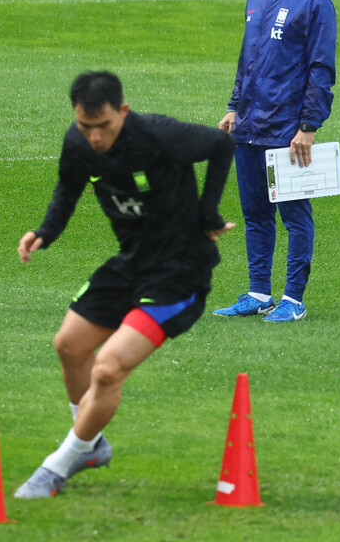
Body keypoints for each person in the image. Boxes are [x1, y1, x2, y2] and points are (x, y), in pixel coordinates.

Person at [14, 71, 235, 498]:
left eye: (103, 126)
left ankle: (57, 465)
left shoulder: (159, 135)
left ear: (123, 111)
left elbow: (221, 144)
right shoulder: (79, 143)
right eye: (86, 126)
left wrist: (208, 213)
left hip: (180, 273)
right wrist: (45, 232)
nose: (94, 137)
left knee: (108, 367)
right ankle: (90, 443)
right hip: (132, 262)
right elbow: (67, 189)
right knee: (69, 345)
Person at [213, 0, 336, 322]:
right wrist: (234, 106)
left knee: (295, 218)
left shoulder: (316, 2)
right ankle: (258, 293)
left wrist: (308, 127)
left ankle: (294, 299)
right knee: (255, 215)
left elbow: (321, 70)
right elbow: (247, 58)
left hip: (287, 130)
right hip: (249, 125)